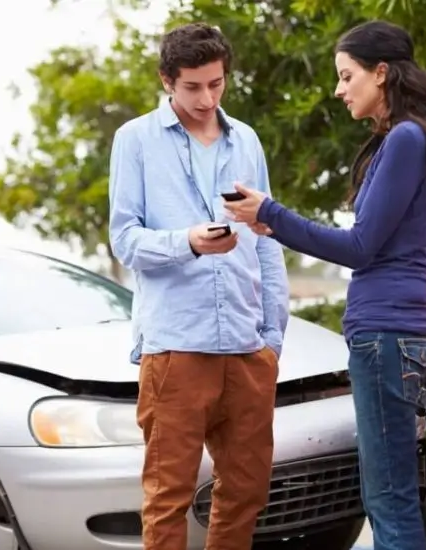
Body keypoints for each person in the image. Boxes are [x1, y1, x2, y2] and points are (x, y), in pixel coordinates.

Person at [224, 20, 426, 550]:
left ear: (381, 74)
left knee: (389, 497)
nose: (339, 89)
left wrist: (273, 212)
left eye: (346, 75)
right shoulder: (410, 139)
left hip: (385, 336)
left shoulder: (406, 139)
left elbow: (361, 247)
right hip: (398, 334)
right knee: (396, 493)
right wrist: (272, 222)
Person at [107, 22, 289, 550]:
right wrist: (188, 241)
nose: (207, 98)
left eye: (216, 83)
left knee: (247, 492)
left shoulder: (247, 140)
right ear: (167, 80)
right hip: (176, 348)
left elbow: (267, 238)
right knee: (169, 497)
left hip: (247, 347)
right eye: (192, 87)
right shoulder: (135, 139)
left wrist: (271, 339)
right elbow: (126, 240)